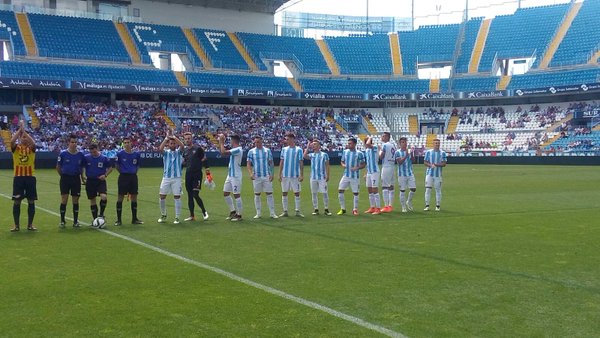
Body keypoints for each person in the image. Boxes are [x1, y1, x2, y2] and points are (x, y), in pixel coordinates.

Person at [10, 120, 37, 232]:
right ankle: (16, 225)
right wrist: (20, 130)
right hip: (19, 177)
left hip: (30, 177)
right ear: (20, 139)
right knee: (17, 201)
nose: (24, 138)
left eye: (25, 137)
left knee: (31, 201)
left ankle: (30, 225)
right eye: (22, 137)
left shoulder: (31, 149)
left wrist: (24, 131)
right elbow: (12, 141)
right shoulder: (16, 148)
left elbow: (34, 143)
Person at [57, 134, 86, 228]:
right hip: (65, 178)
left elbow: (81, 167)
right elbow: (58, 167)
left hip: (75, 179)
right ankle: (62, 220)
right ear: (68, 143)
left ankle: (75, 221)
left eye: (75, 142)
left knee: (75, 200)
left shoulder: (80, 155)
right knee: (64, 199)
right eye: (72, 142)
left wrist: (82, 177)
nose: (74, 144)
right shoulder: (63, 154)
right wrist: (63, 176)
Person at [114, 137, 144, 226]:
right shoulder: (120, 154)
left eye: (128, 142)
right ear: (123, 144)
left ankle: (134, 219)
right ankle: (119, 220)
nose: (126, 144)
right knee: (120, 197)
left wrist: (134, 172)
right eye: (125, 142)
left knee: (134, 197)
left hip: (133, 177)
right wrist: (123, 172)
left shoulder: (136, 154)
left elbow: (138, 165)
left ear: (131, 143)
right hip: (123, 177)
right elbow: (116, 165)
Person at [247, 135, 277, 219]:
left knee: (269, 194)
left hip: (266, 175)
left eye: (258, 142)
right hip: (256, 176)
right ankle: (258, 213)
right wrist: (250, 173)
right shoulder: (251, 151)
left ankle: (272, 213)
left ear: (261, 142)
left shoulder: (267, 151)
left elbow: (271, 163)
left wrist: (272, 174)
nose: (256, 143)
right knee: (257, 194)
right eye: (255, 142)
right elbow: (248, 164)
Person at [158, 129, 185, 224]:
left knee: (177, 197)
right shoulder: (166, 152)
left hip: (177, 178)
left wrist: (173, 137)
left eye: (174, 143)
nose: (173, 145)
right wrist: (166, 138)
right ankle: (163, 214)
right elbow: (160, 149)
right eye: (171, 143)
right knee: (162, 196)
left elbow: (182, 145)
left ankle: (177, 217)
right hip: (166, 177)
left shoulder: (179, 152)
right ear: (168, 144)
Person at [182, 132, 209, 222]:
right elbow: (185, 162)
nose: (187, 140)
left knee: (195, 194)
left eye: (189, 138)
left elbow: (204, 159)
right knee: (190, 195)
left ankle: (204, 212)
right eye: (186, 139)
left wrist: (208, 172)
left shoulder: (198, 149)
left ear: (191, 139)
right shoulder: (185, 151)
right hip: (188, 175)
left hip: (197, 174)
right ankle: (192, 216)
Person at [84, 143, 113, 222]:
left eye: (94, 151)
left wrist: (105, 175)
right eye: (91, 151)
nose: (93, 153)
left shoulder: (104, 158)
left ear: (97, 149)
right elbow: (80, 166)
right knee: (92, 200)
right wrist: (82, 177)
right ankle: (95, 219)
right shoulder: (86, 158)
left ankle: (101, 214)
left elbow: (110, 168)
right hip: (90, 181)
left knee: (104, 197)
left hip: (100, 181)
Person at [337, 137, 365, 216]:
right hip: (346, 175)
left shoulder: (359, 153)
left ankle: (355, 209)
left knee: (355, 193)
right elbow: (342, 161)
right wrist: (343, 165)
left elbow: (363, 164)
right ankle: (343, 209)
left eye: (350, 143)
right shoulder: (345, 152)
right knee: (340, 190)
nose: (348, 145)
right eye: (348, 143)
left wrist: (357, 167)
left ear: (355, 144)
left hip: (355, 176)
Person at [279, 132, 304, 217]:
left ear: (292, 139)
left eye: (288, 139)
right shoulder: (284, 149)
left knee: (296, 193)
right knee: (284, 193)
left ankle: (297, 211)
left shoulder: (299, 150)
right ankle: (285, 211)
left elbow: (301, 162)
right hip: (285, 175)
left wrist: (301, 174)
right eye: (286, 139)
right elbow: (281, 162)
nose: (286, 141)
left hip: (295, 175)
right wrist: (279, 174)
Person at [219, 133, 243, 221]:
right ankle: (233, 211)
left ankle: (239, 215)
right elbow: (223, 153)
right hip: (230, 175)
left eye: (231, 140)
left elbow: (223, 152)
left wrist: (221, 142)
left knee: (236, 194)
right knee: (226, 193)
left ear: (234, 140)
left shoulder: (238, 149)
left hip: (235, 175)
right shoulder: (235, 149)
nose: (230, 141)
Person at [303, 139, 331, 216]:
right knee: (314, 193)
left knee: (324, 193)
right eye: (313, 144)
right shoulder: (312, 155)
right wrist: (308, 146)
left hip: (322, 177)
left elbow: (327, 165)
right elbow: (304, 156)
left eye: (315, 144)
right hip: (313, 177)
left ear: (319, 146)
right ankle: (316, 209)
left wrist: (328, 175)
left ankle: (326, 208)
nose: (313, 145)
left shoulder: (324, 155)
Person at [424, 138, 447, 211]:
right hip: (429, 174)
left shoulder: (442, 153)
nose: (437, 144)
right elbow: (425, 162)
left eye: (438, 143)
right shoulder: (428, 152)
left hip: (438, 175)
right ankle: (427, 205)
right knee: (428, 189)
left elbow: (444, 164)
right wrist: (430, 165)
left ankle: (438, 206)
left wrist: (436, 164)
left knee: (438, 190)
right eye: (436, 143)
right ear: (433, 144)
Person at [395, 137, 416, 213]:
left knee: (413, 189)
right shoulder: (397, 152)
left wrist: (412, 154)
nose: (405, 143)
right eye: (403, 142)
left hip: (410, 173)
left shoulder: (410, 151)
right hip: (401, 174)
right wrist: (406, 155)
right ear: (400, 144)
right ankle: (403, 207)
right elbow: (399, 162)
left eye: (405, 142)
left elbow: (413, 161)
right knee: (402, 190)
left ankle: (409, 201)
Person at [363, 136, 381, 215]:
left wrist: (369, 138)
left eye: (367, 141)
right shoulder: (367, 150)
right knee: (369, 190)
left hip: (375, 171)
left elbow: (367, 144)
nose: (365, 143)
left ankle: (378, 208)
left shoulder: (375, 148)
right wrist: (365, 173)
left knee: (375, 190)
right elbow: (368, 162)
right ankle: (372, 207)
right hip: (369, 172)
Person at [379, 132, 397, 212]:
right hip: (392, 166)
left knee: (384, 186)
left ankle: (386, 206)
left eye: (383, 136)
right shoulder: (393, 145)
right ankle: (390, 205)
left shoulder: (385, 145)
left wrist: (379, 151)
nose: (382, 137)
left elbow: (381, 156)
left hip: (386, 166)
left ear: (387, 137)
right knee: (391, 186)